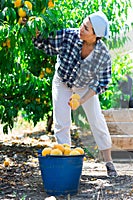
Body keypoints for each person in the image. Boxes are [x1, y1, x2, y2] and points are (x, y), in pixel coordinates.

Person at [32, 11, 118, 177]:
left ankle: (109, 162)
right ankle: (67, 163)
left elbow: (102, 82)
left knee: (96, 120)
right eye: (83, 23)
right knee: (61, 122)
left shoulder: (102, 55)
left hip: (84, 88)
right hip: (62, 81)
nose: (81, 29)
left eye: (86, 28)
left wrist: (82, 99)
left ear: (95, 36)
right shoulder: (69, 36)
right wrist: (35, 33)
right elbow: (46, 43)